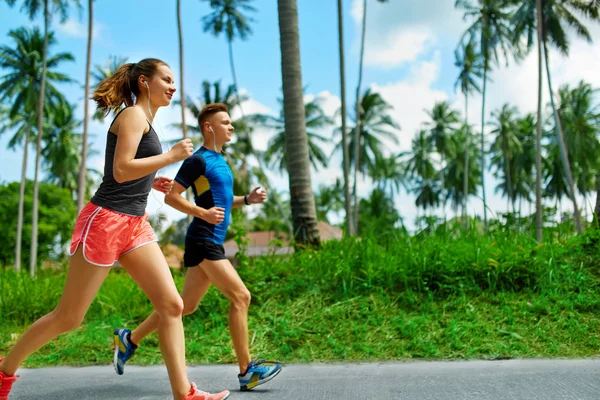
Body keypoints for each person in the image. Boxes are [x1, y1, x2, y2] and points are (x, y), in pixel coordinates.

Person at [0, 59, 230, 400]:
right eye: (165, 79)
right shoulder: (134, 115)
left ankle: (184, 393)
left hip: (134, 224)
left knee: (171, 305)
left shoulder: (146, 121)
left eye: (173, 81)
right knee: (68, 316)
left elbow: (128, 170)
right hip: (105, 221)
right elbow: (121, 171)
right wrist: (169, 157)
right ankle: (4, 371)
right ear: (143, 82)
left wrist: (152, 181)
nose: (173, 86)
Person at [113, 103, 283, 391]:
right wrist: (202, 214)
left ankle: (129, 340)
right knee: (241, 297)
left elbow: (221, 200)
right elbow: (173, 197)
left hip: (210, 239)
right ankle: (246, 370)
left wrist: (247, 200)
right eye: (225, 122)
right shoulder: (198, 161)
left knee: (186, 306)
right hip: (203, 238)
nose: (231, 127)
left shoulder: (220, 161)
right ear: (209, 127)